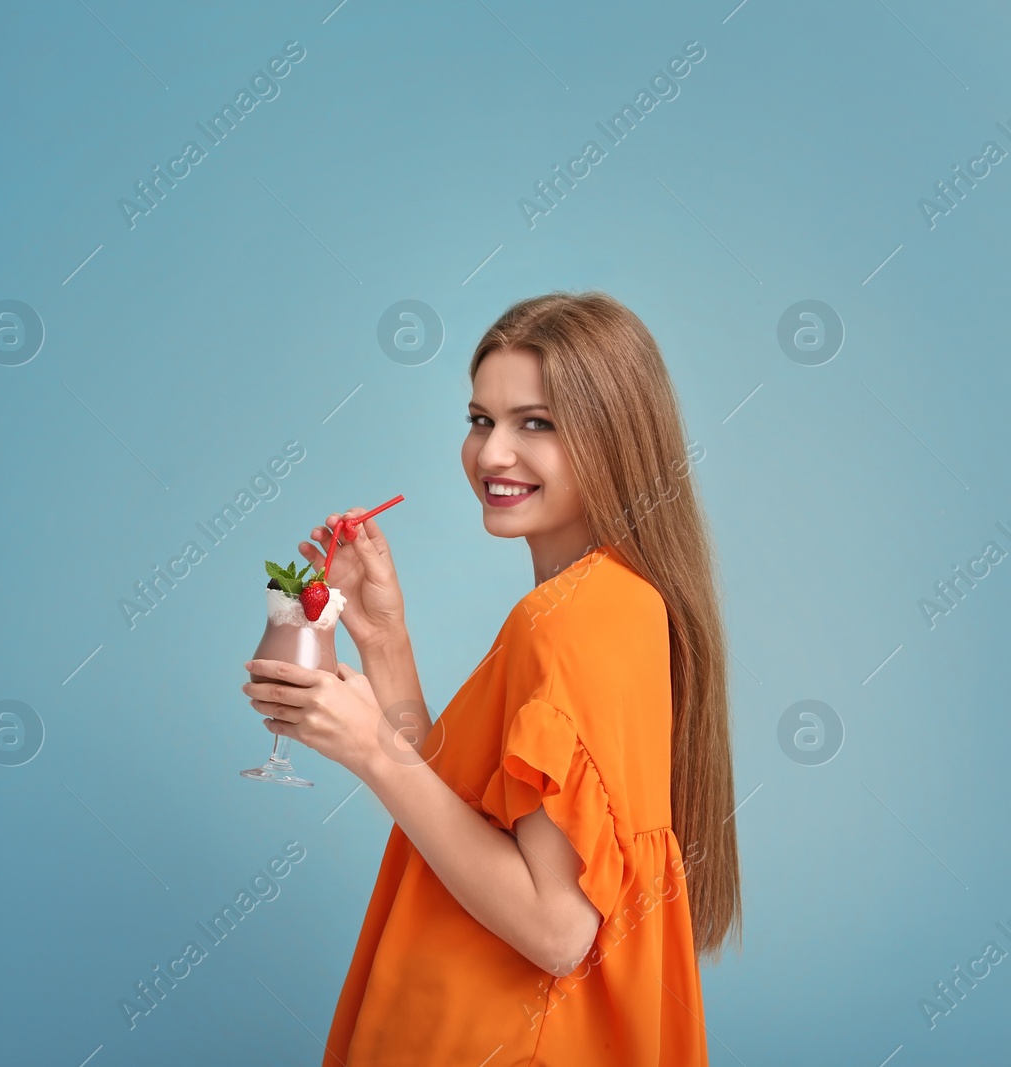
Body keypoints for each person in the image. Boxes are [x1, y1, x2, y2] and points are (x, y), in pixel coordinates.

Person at [242, 291, 742, 1065]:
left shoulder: (572, 620)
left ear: (615, 438)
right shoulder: (609, 603)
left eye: (535, 423)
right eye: (481, 420)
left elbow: (557, 929)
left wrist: (372, 750)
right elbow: (474, 817)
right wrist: (385, 638)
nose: (492, 454)